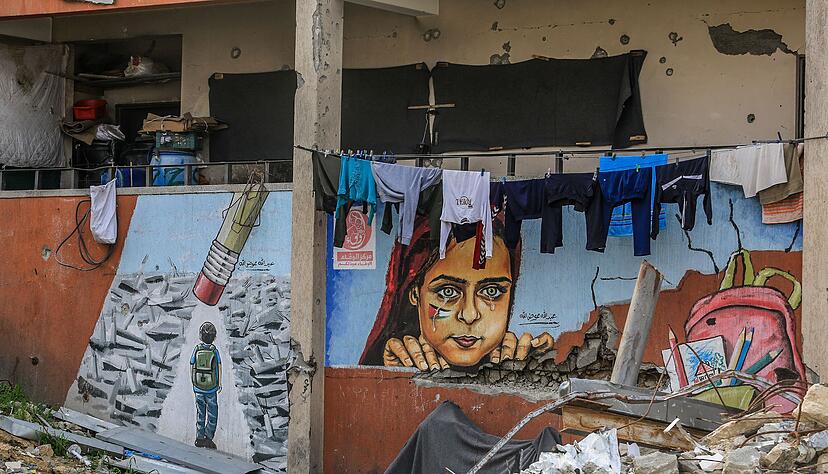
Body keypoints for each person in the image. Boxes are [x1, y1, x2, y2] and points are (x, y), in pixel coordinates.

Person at [359, 212, 554, 370]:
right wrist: (388, 371)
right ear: (415, 293)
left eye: (492, 291)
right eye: (448, 292)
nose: (469, 315)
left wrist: (531, 369)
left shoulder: (517, 358)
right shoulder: (393, 357)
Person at [191, 322, 221, 449]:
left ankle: (199, 437)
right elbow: (218, 367)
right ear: (214, 337)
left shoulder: (197, 349)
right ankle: (208, 438)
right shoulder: (214, 351)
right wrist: (219, 383)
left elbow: (192, 365)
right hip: (211, 388)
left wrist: (194, 382)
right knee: (212, 413)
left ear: (200, 336)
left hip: (198, 387)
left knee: (200, 412)